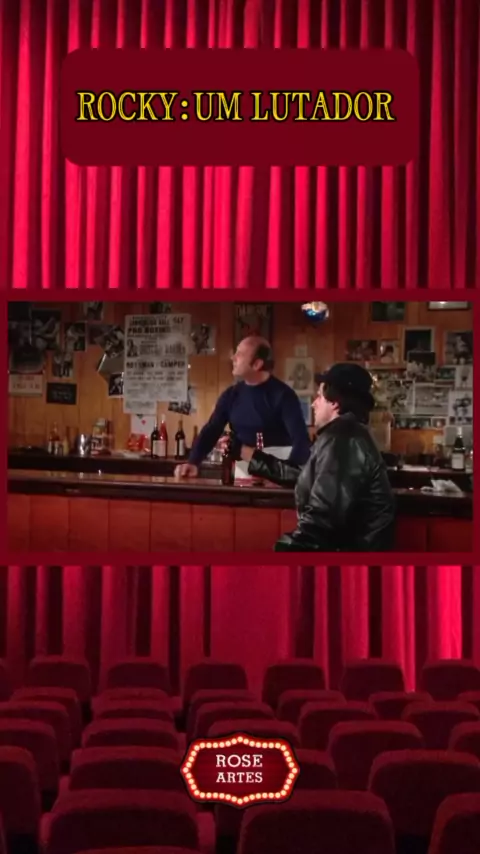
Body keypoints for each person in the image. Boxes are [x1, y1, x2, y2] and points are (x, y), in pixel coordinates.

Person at [239, 363, 396, 551]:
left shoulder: (344, 439)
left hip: (350, 559)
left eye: (320, 396)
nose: (314, 403)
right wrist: (247, 454)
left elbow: (323, 518)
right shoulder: (344, 434)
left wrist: (286, 551)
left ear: (335, 402)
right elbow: (305, 474)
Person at [174, 335, 311, 477]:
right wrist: (193, 462)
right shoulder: (231, 394)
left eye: (239, 354)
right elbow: (212, 429)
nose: (233, 358)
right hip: (243, 470)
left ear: (257, 364)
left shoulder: (283, 395)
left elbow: (301, 441)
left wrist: (289, 476)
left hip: (278, 469)